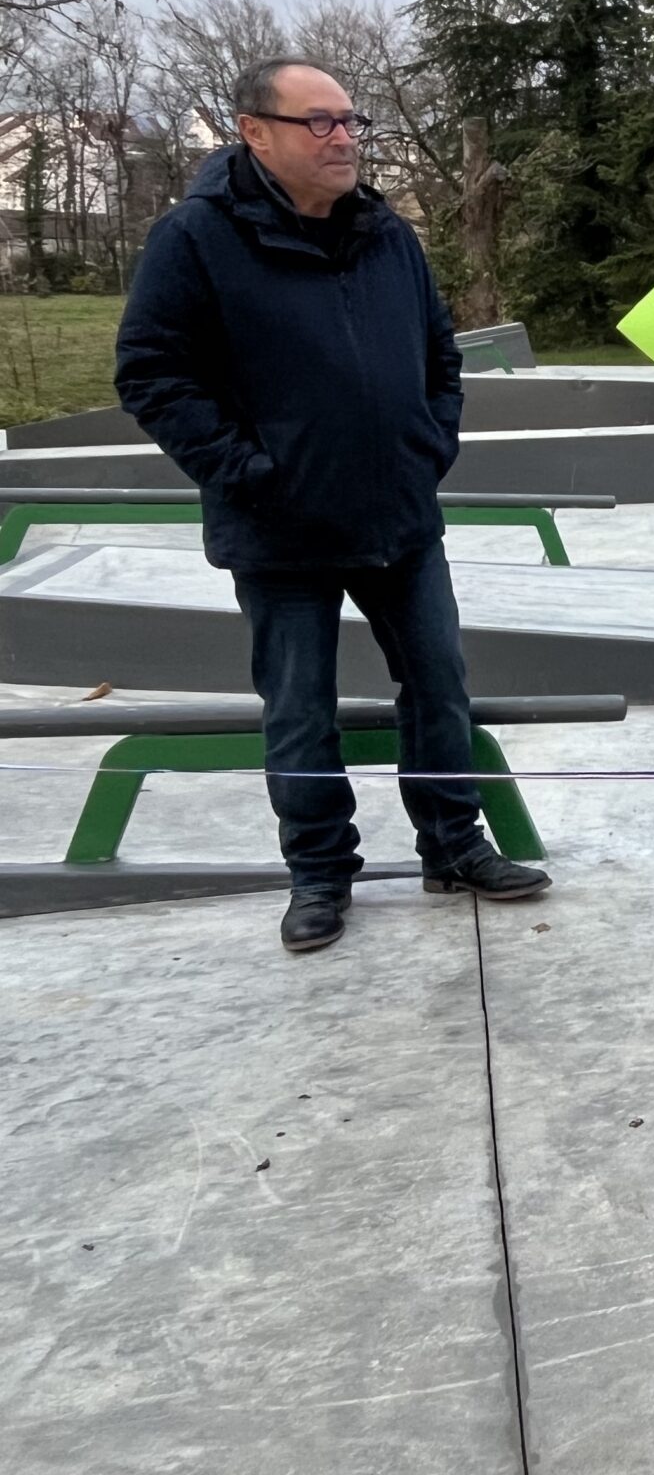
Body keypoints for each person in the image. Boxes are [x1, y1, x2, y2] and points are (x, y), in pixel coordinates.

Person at [114, 58, 551, 953]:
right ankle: (318, 874)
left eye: (351, 119)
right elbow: (151, 373)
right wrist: (249, 470)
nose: (344, 136)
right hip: (280, 528)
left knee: (438, 684)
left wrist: (431, 445)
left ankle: (454, 845)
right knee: (301, 707)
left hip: (399, 514)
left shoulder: (386, 232)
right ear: (254, 131)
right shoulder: (195, 239)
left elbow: (440, 358)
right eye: (318, 122)